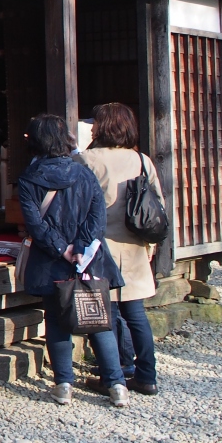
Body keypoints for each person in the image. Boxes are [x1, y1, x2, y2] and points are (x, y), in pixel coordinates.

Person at [17, 113, 129, 408]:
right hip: (89, 258)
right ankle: (117, 385)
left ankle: (64, 385)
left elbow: (35, 224)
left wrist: (62, 248)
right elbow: (97, 216)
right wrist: (80, 247)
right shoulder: (84, 173)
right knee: (99, 320)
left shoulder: (29, 178)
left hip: (51, 260)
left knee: (56, 320)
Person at [74, 103, 162, 395]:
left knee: (106, 315)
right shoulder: (142, 160)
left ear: (103, 127)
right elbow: (157, 206)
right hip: (135, 245)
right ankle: (147, 376)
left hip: (100, 247)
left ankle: (113, 377)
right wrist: (151, 244)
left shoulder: (87, 159)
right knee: (136, 314)